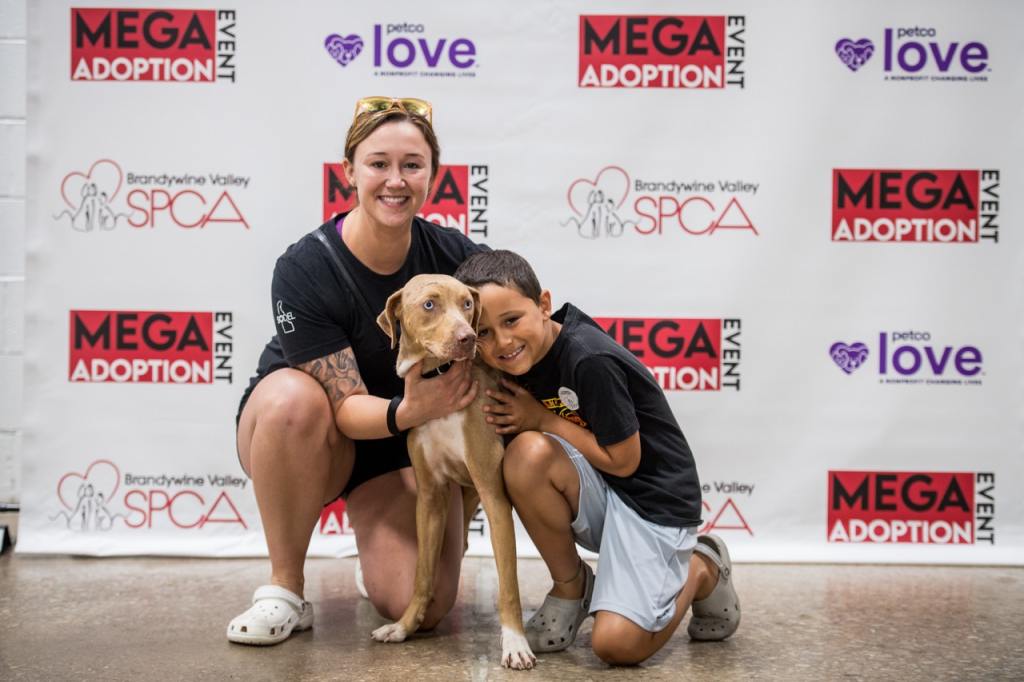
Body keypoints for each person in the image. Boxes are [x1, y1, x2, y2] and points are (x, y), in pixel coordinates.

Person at [227, 97, 486, 645]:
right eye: (378, 163)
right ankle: (285, 589)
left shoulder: (455, 257)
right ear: (349, 171)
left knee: (427, 605)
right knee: (294, 400)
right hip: (309, 434)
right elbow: (344, 408)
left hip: (398, 447)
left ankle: (378, 557)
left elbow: (517, 323)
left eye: (412, 165)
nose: (396, 180)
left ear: (432, 176)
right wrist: (413, 408)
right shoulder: (306, 265)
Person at [454, 250, 741, 665]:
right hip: (603, 491)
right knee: (525, 456)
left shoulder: (588, 358)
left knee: (616, 646)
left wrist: (541, 419)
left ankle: (700, 567)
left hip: (654, 503)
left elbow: (625, 461)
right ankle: (570, 588)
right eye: (483, 332)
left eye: (512, 320)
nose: (502, 343)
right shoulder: (508, 363)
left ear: (544, 305)